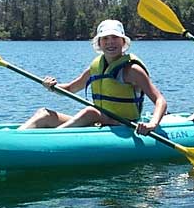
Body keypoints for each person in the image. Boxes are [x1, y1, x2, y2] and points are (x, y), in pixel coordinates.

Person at [18, 19, 167, 135]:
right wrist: (51, 87)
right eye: (105, 38)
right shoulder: (95, 67)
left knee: (91, 112)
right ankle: (15, 138)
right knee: (44, 114)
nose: (110, 42)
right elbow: (70, 88)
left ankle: (49, 140)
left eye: (115, 37)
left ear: (123, 42)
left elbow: (160, 100)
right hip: (99, 122)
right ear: (99, 44)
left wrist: (152, 124)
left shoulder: (133, 70)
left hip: (124, 126)